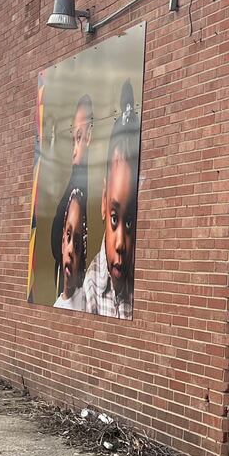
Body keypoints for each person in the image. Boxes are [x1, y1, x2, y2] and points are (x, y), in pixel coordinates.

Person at [83, 82, 139, 318]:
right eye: (115, 219)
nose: (120, 244)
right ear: (104, 200)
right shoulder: (91, 285)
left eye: (129, 223)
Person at [52, 183, 88, 310]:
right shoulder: (56, 306)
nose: (71, 250)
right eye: (68, 236)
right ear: (62, 243)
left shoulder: (87, 303)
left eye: (77, 244)